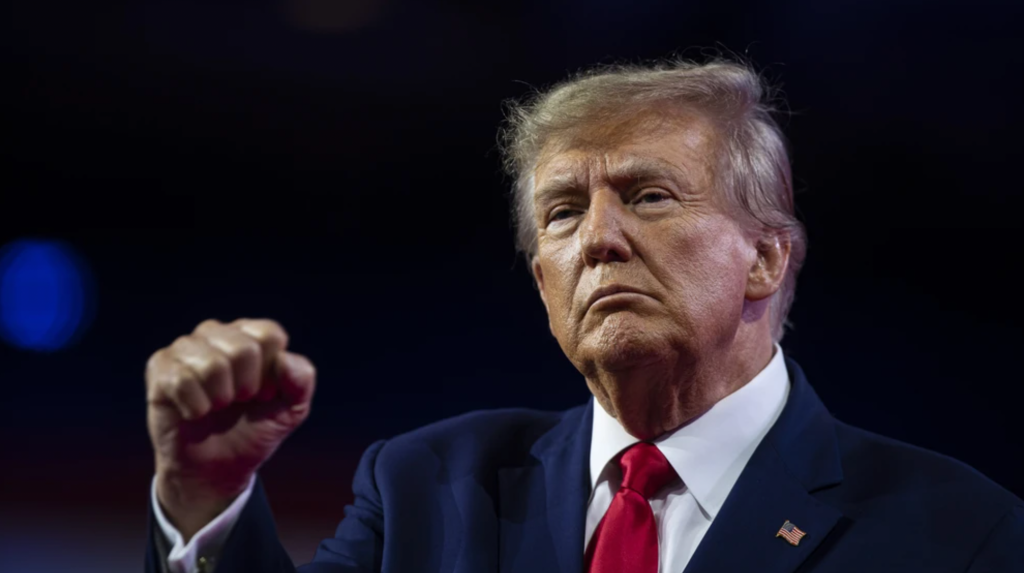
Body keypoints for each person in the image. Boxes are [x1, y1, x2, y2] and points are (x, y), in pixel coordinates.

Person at [143, 59, 1022, 573]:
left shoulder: (959, 532)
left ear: (766, 256)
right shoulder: (426, 487)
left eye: (647, 194)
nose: (599, 238)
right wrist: (204, 496)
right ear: (541, 285)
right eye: (563, 211)